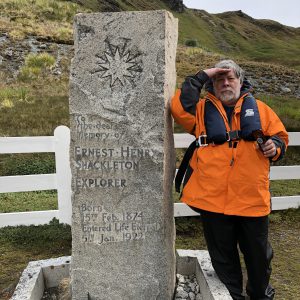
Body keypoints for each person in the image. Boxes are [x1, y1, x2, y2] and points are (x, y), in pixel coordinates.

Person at [171, 59, 288, 300]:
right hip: (213, 201)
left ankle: (260, 296)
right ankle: (232, 296)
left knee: (258, 257)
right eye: (218, 79)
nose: (224, 83)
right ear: (211, 85)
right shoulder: (200, 111)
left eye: (230, 78)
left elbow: (280, 138)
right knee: (223, 259)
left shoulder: (262, 110)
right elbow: (178, 106)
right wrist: (203, 75)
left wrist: (273, 146)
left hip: (252, 200)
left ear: (240, 81)